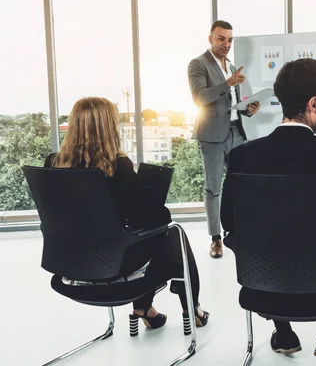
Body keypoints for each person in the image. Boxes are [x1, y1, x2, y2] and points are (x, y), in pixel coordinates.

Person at [220, 59, 316, 361]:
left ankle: (283, 331)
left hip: (262, 289)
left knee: (273, 240)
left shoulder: (243, 158)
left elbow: (227, 221)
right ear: (313, 103)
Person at [45, 97, 210, 331]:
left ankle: (146, 310)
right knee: (175, 235)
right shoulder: (117, 165)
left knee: (151, 239)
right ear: (109, 127)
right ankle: (191, 310)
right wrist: (144, 193)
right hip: (112, 270)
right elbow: (158, 219)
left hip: (69, 268)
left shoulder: (53, 164)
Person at [188, 20, 261, 259]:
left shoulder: (231, 66)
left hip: (236, 131)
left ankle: (240, 231)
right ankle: (216, 239)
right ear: (210, 38)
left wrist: (249, 109)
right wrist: (227, 83)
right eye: (221, 39)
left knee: (243, 182)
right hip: (212, 135)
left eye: (230, 40)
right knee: (213, 189)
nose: (226, 44)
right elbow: (200, 98)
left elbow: (232, 103)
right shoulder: (198, 64)